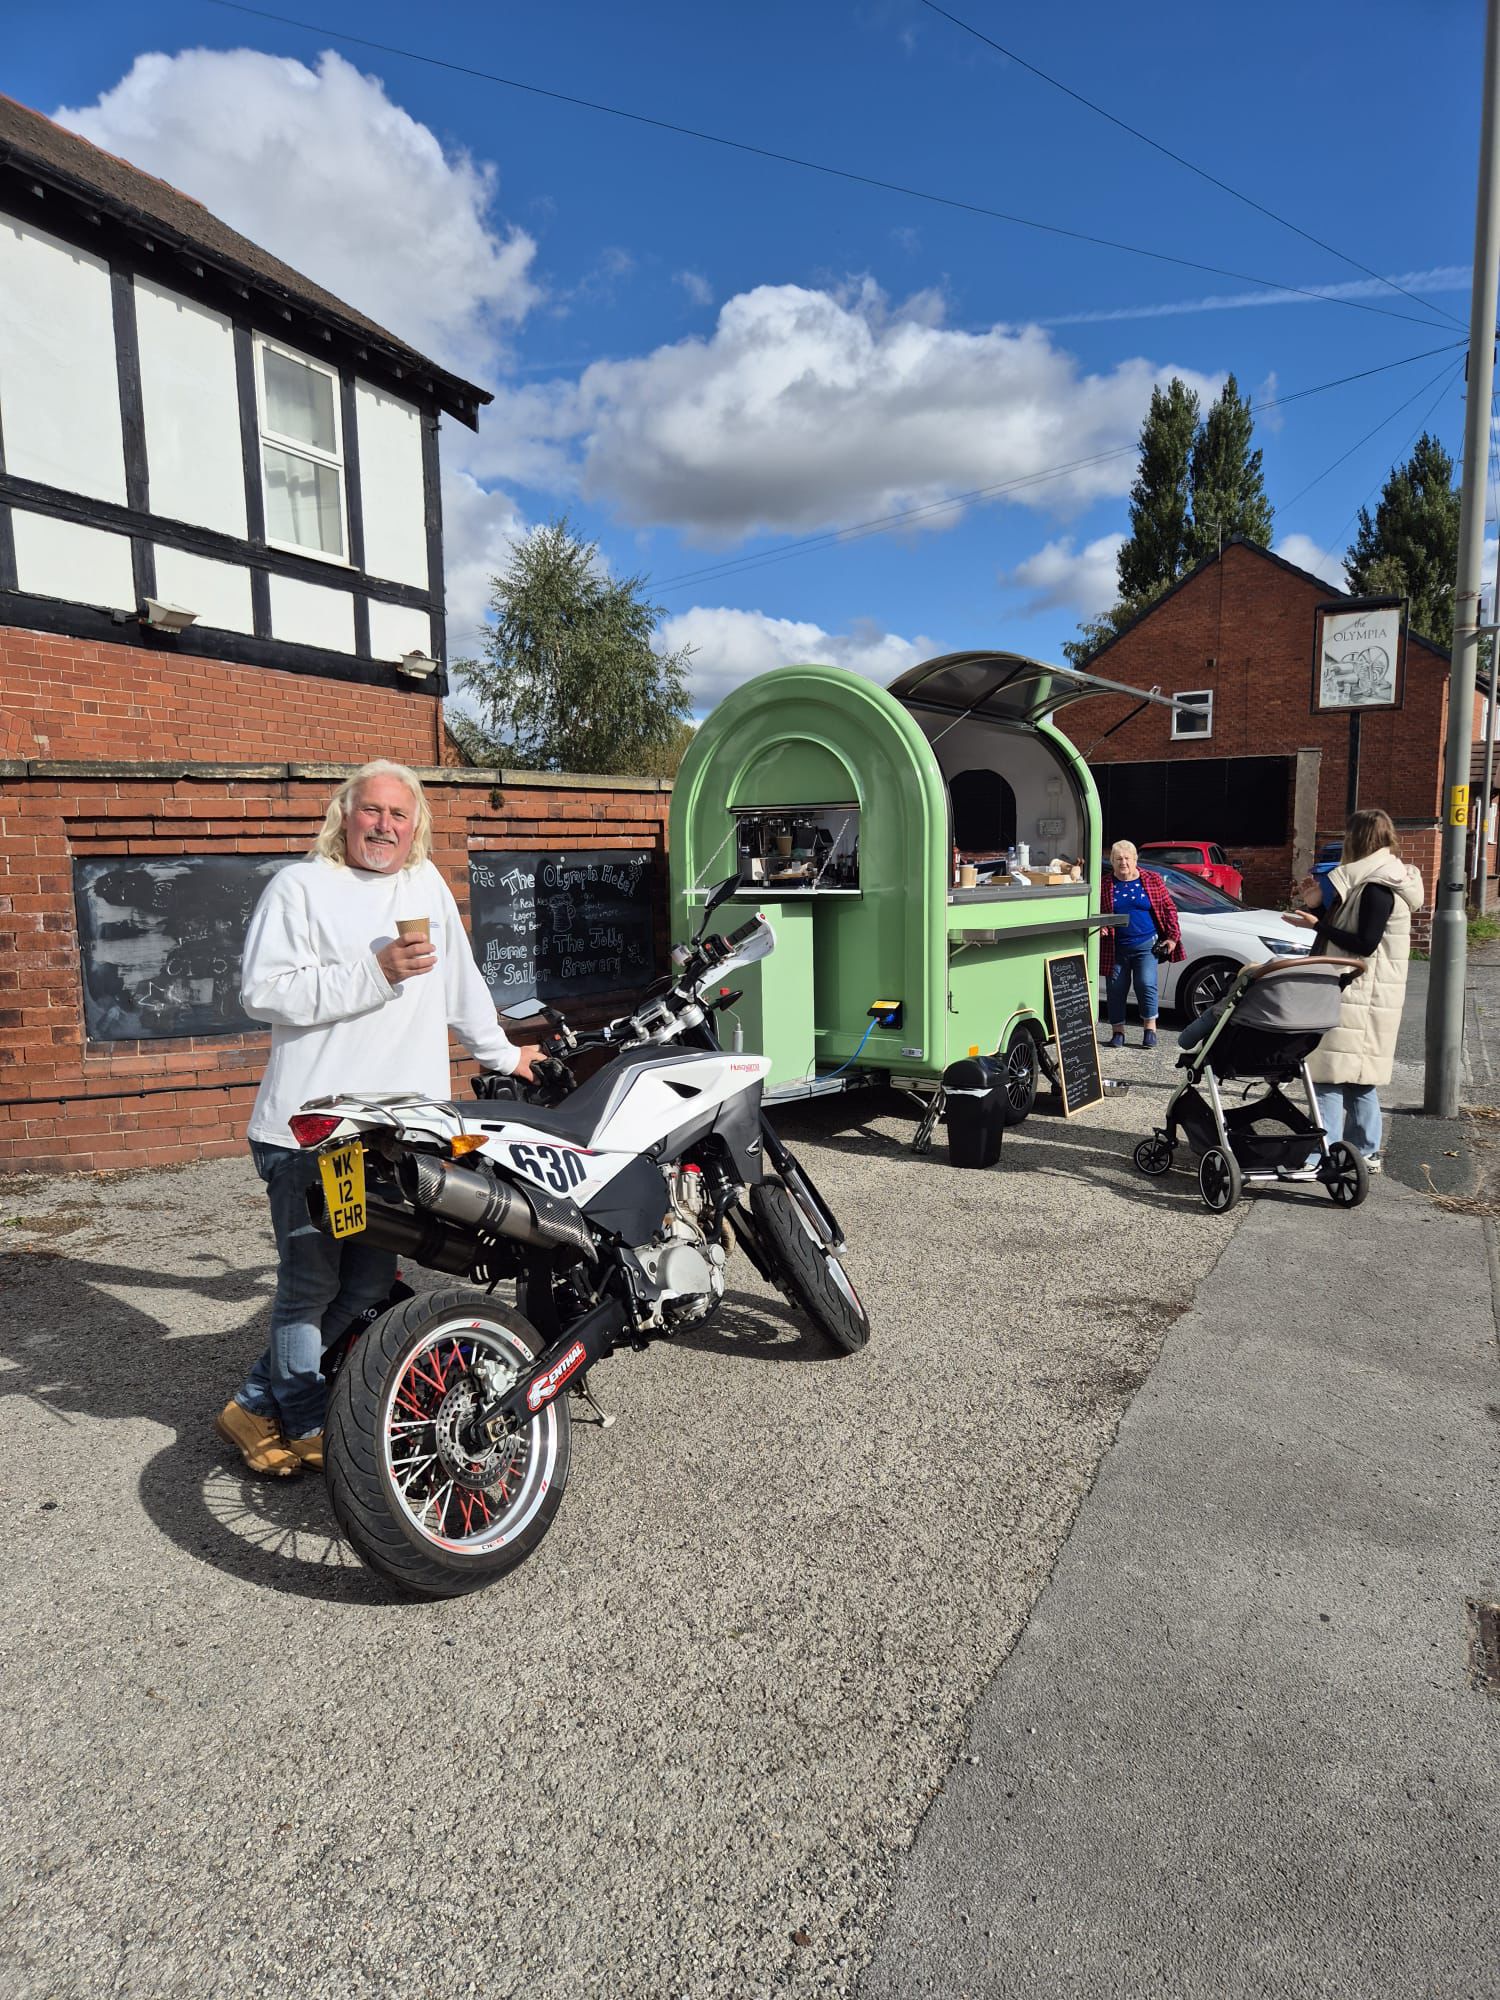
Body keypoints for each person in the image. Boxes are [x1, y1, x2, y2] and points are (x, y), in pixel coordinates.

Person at [215, 760, 535, 1478]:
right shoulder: (300, 887)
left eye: (399, 813)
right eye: (371, 811)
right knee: (310, 1287)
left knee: (365, 1286)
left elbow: (462, 987)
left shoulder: (424, 886)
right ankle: (300, 1419)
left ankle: (253, 1401)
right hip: (312, 1131)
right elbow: (261, 991)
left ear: (416, 823)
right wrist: (377, 970)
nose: (384, 826)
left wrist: (506, 1055)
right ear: (344, 815)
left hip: (389, 1138)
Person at [1285, 807, 1422, 1174]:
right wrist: (1316, 904)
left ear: (1359, 839)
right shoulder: (1380, 879)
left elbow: (1363, 942)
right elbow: (1348, 921)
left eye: (1348, 836)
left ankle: (1323, 1153)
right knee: (1358, 1076)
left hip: (1358, 994)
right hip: (1366, 993)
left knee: (1328, 1074)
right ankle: (1364, 1151)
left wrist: (1318, 925)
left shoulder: (1377, 887)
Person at [1099, 839, 1182, 1050]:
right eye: (1118, 859)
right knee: (1116, 989)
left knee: (1146, 984)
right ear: (1112, 861)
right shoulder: (1105, 884)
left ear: (1135, 859)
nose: (1123, 862)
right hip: (1116, 947)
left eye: (1127, 858)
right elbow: (1097, 913)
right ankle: (1118, 1032)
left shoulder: (1151, 880)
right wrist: (1102, 925)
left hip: (1146, 944)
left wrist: (1172, 937)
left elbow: (1168, 908)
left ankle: (1150, 1029)